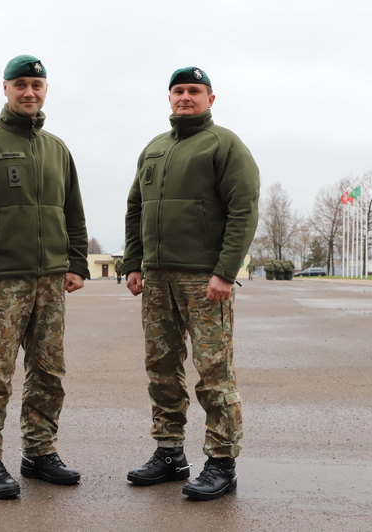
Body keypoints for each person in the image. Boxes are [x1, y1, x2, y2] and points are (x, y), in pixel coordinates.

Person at [0, 54, 90, 499]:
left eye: (37, 85)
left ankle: (40, 452)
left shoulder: (57, 148)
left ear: (45, 90)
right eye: (21, 84)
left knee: (49, 373)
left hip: (50, 281)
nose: (29, 92)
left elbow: (72, 211)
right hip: (1, 281)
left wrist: (76, 262)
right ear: (5, 88)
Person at [122, 67, 260, 501]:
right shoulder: (154, 148)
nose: (185, 97)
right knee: (161, 368)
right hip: (157, 277)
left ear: (210, 99)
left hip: (204, 278)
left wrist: (225, 271)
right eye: (178, 91)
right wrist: (133, 263)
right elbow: (135, 208)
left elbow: (243, 210)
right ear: (169, 98)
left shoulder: (225, 145)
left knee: (214, 371)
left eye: (194, 91)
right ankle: (169, 453)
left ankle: (221, 462)